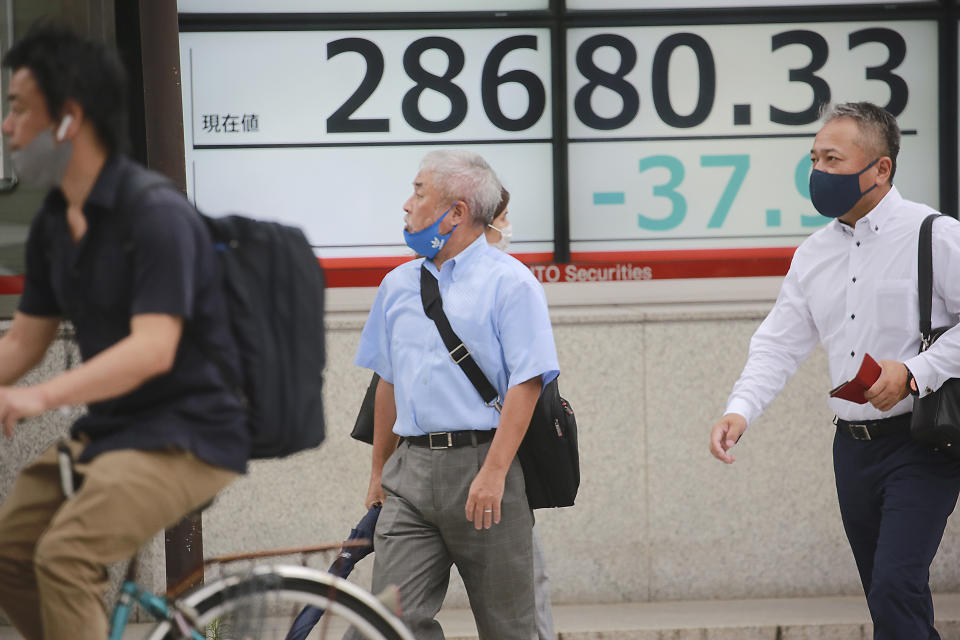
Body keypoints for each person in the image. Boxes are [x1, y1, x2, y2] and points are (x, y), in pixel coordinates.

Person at [0, 24, 249, 640]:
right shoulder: (56, 224)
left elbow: (152, 348)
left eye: (19, 107)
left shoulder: (153, 214)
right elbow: (23, 343)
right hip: (115, 432)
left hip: (190, 435)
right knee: (10, 556)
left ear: (68, 119)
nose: (7, 126)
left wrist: (38, 396)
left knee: (64, 556)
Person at [709, 101, 960, 639]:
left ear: (881, 169)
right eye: (814, 158)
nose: (818, 172)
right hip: (851, 447)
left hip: (923, 443)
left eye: (832, 159)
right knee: (887, 595)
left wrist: (916, 372)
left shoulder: (934, 235)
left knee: (895, 584)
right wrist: (740, 409)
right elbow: (778, 343)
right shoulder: (813, 255)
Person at [349, 149, 559, 640]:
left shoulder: (511, 283)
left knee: (509, 627)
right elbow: (388, 383)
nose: (407, 204)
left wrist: (494, 473)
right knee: (388, 625)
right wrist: (379, 472)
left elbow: (527, 384)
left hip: (484, 467)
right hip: (410, 475)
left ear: (457, 212)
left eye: (419, 193)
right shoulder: (398, 284)